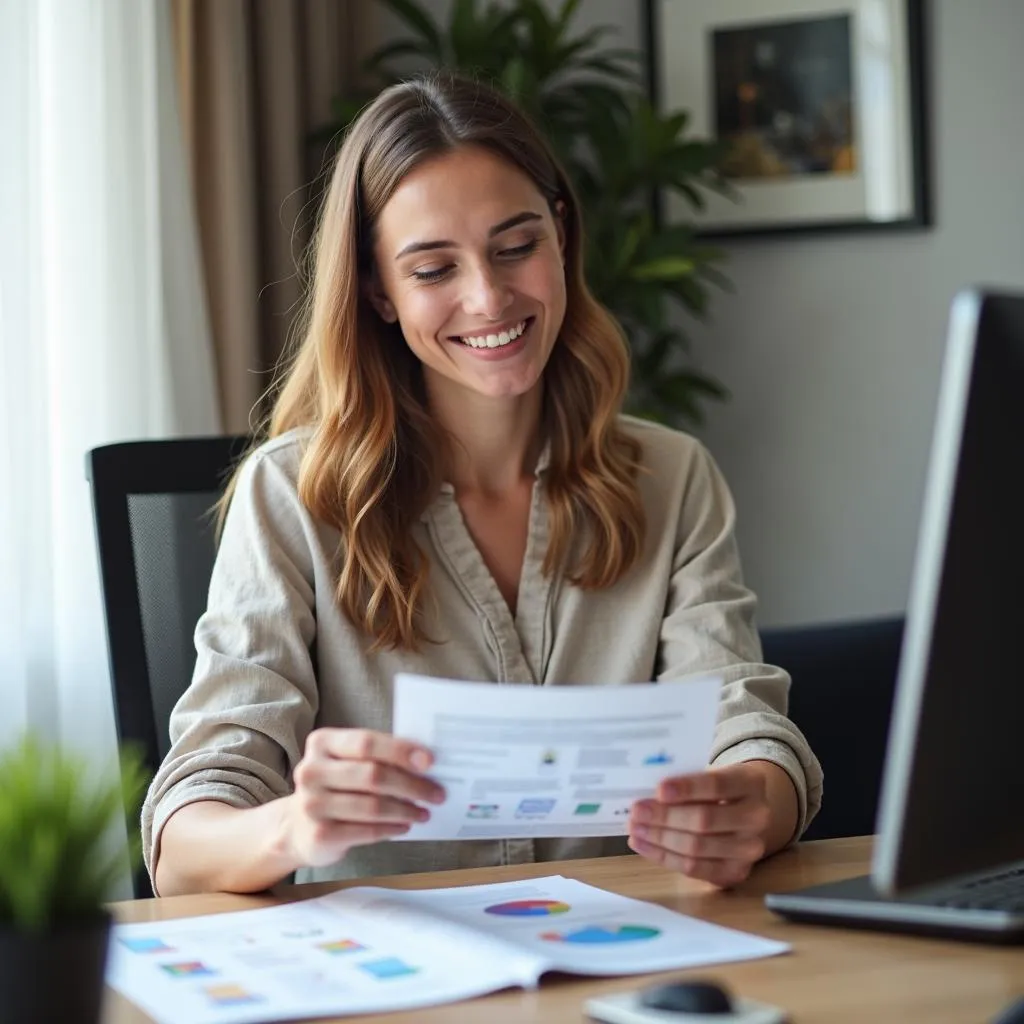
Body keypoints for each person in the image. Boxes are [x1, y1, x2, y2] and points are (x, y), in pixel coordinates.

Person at [143, 72, 822, 898]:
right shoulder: (288, 497)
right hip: (395, 979)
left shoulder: (673, 479)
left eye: (515, 246)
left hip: (628, 951)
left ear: (561, 235)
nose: (489, 296)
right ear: (377, 291)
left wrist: (760, 799)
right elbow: (185, 843)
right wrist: (291, 823)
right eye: (432, 269)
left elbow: (740, 722)